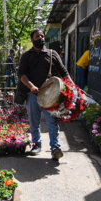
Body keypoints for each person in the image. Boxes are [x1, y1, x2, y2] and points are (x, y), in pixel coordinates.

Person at [18, 29, 73, 160]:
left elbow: (64, 72)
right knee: (34, 121)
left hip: (51, 95)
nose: (41, 38)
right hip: (33, 95)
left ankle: (55, 148)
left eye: (42, 36)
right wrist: (31, 86)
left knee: (52, 121)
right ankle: (36, 144)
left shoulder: (52, 54)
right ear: (32, 39)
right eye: (37, 36)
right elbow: (21, 75)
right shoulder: (26, 56)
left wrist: (72, 87)